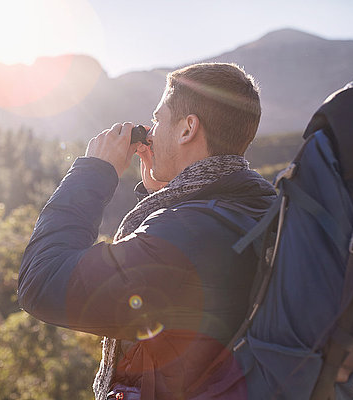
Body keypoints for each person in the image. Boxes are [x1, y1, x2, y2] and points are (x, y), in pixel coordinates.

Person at [18, 62, 277, 400]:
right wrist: (164, 197)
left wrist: (92, 173)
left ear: (187, 130)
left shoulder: (187, 231)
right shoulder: (258, 206)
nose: (151, 131)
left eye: (158, 118)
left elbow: (42, 281)